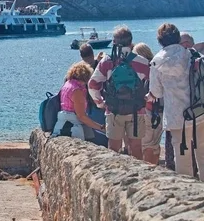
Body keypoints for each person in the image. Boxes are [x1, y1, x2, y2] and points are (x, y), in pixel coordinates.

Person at [147, 23, 204, 180]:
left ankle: (189, 195)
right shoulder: (191, 54)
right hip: (198, 110)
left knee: (182, 155)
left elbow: (156, 92)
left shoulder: (157, 62)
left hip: (177, 116)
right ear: (178, 37)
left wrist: (150, 96)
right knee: (203, 153)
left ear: (160, 41)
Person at [89, 25, 149, 160]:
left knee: (114, 148)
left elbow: (93, 84)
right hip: (136, 110)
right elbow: (154, 84)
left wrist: (100, 103)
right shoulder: (142, 62)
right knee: (136, 147)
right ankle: (138, 176)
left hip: (113, 110)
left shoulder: (107, 61)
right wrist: (147, 98)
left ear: (114, 42)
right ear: (131, 42)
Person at [52, 61, 105, 140]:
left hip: (61, 124)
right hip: (72, 128)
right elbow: (81, 116)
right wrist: (101, 128)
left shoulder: (67, 84)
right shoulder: (77, 91)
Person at [133, 43, 163, 165]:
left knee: (147, 146)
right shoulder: (157, 68)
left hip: (148, 112)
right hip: (159, 113)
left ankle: (149, 172)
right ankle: (155, 169)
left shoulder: (145, 72)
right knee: (155, 144)